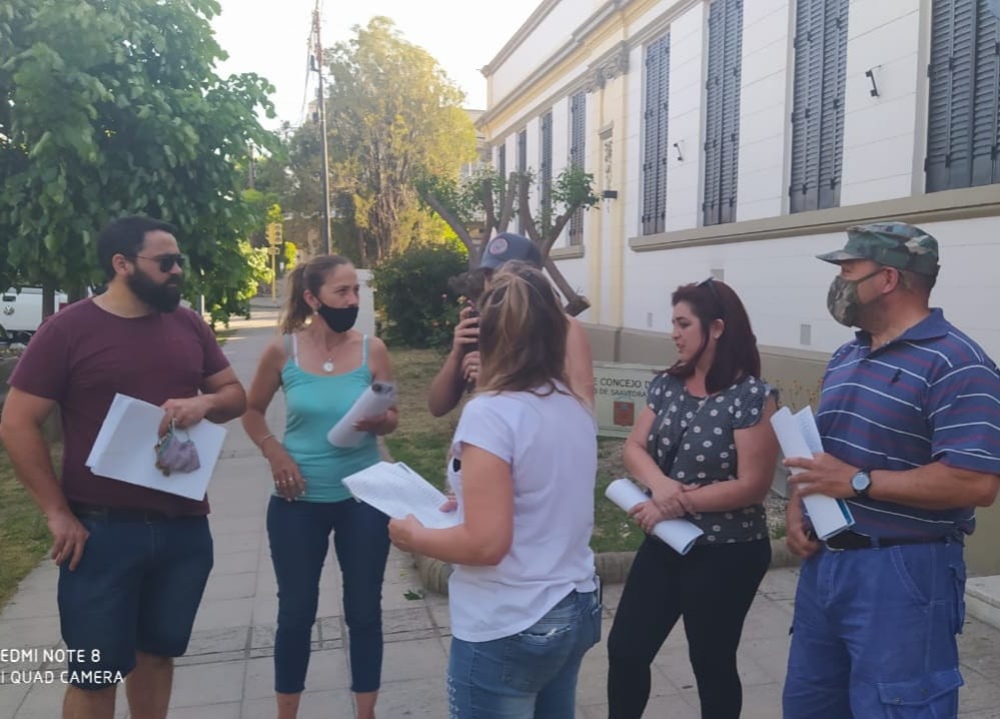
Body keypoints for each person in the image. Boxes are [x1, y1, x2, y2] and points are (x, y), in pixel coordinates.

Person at [0, 216, 246, 719]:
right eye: (165, 262)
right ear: (121, 264)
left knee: (157, 657)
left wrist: (203, 405)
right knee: (95, 675)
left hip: (183, 527)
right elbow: (17, 423)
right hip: (101, 534)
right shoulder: (67, 330)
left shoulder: (188, 324)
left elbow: (235, 395)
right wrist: (56, 512)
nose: (177, 270)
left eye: (179, 260)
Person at [781, 222, 1000, 718]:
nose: (840, 284)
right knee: (809, 706)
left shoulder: (959, 364)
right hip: (826, 569)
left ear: (888, 279)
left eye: (849, 271)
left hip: (904, 573)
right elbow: (827, 449)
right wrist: (800, 506)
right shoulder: (848, 353)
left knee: (899, 708)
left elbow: (976, 482)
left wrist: (858, 482)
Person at [388, 263, 601, 718]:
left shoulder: (492, 413)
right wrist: (468, 500)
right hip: (572, 604)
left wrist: (413, 537)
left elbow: (486, 544)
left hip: (510, 616)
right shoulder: (574, 405)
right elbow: (539, 493)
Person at [606, 278, 780, 719]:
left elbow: (752, 485)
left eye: (684, 323)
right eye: (673, 323)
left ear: (717, 328)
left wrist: (673, 502)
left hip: (729, 552)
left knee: (711, 662)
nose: (675, 333)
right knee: (626, 650)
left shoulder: (752, 397)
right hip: (666, 540)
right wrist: (661, 488)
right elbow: (634, 447)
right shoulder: (668, 384)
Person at [241, 254, 398, 719]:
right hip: (297, 501)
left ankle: (365, 712)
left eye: (356, 292)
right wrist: (276, 453)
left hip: (363, 499)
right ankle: (285, 712)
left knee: (365, 610)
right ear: (313, 298)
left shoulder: (375, 350)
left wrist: (380, 420)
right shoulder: (281, 351)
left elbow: (392, 417)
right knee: (295, 613)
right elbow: (251, 412)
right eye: (342, 292)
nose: (352, 300)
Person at [427, 232, 595, 415]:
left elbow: (584, 408)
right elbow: (437, 407)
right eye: (488, 276)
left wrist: (495, 380)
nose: (493, 285)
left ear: (532, 278)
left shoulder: (565, 328)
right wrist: (457, 353)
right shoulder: (482, 326)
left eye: (504, 276)